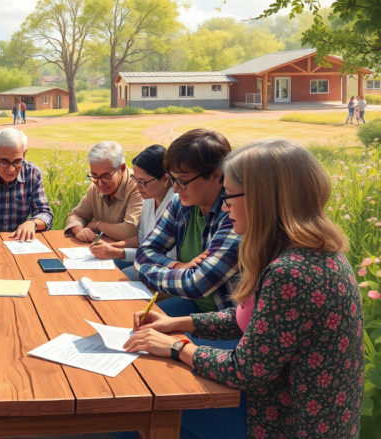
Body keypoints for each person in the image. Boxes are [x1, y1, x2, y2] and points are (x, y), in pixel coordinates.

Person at [125, 139, 363, 439]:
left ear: (264, 198)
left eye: (229, 196)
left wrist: (176, 346)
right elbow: (249, 321)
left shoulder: (290, 272)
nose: (224, 206)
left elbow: (246, 369)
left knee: (138, 409)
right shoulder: (307, 252)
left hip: (281, 422)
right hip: (284, 408)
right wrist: (177, 323)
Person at [134, 129, 241, 350]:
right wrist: (177, 266)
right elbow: (144, 252)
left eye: (182, 181)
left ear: (216, 174)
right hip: (192, 307)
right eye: (172, 179)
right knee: (136, 331)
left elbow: (197, 285)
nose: (174, 188)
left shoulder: (236, 213)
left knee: (157, 352)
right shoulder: (180, 204)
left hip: (228, 322)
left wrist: (146, 270)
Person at [89, 145, 175, 277]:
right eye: (135, 179)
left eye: (142, 182)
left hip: (165, 270)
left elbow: (167, 256)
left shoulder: (177, 205)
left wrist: (119, 252)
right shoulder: (148, 199)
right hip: (145, 260)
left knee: (117, 276)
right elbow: (142, 240)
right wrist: (112, 248)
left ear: (165, 178)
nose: (136, 186)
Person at [64, 141, 143, 270]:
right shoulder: (95, 186)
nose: (100, 183)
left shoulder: (137, 186)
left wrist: (96, 225)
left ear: (122, 169)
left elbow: (129, 230)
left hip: (127, 256)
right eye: (94, 176)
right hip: (100, 251)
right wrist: (80, 231)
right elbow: (76, 215)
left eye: (106, 176)